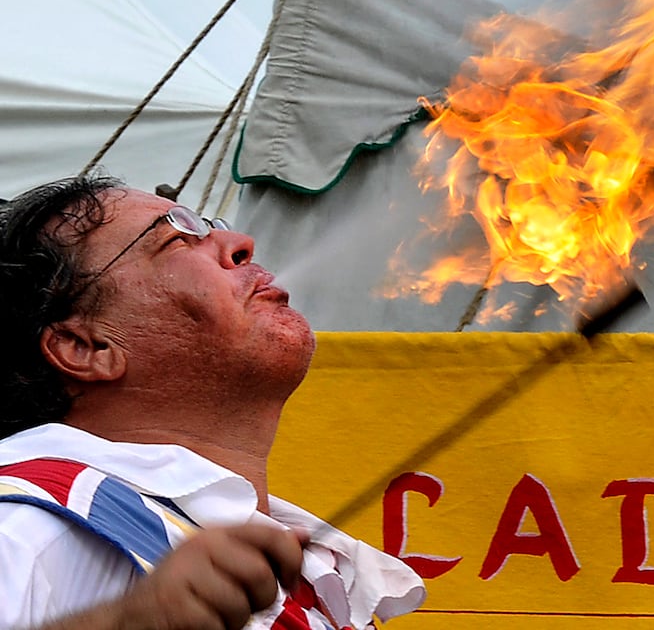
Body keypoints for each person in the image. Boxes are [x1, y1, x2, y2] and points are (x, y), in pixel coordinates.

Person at [0, 175, 425, 629]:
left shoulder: (309, 576)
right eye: (175, 239)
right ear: (86, 347)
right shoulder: (25, 525)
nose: (241, 243)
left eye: (209, 225)